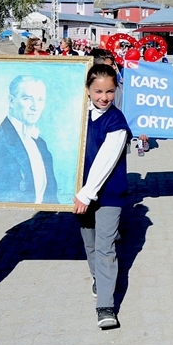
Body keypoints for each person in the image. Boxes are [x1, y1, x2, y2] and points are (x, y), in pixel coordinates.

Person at [73, 64, 132, 329]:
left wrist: (87, 193)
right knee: (90, 241)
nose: (104, 97)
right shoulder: (77, 115)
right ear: (87, 90)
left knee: (106, 246)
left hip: (108, 193)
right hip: (81, 193)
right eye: (98, 91)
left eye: (109, 91)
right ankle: (98, 277)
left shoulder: (116, 121)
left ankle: (106, 305)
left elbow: (106, 161)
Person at [0, 75, 59, 204]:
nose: (35, 106)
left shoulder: (41, 144)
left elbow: (51, 197)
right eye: (27, 98)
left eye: (40, 99)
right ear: (11, 101)